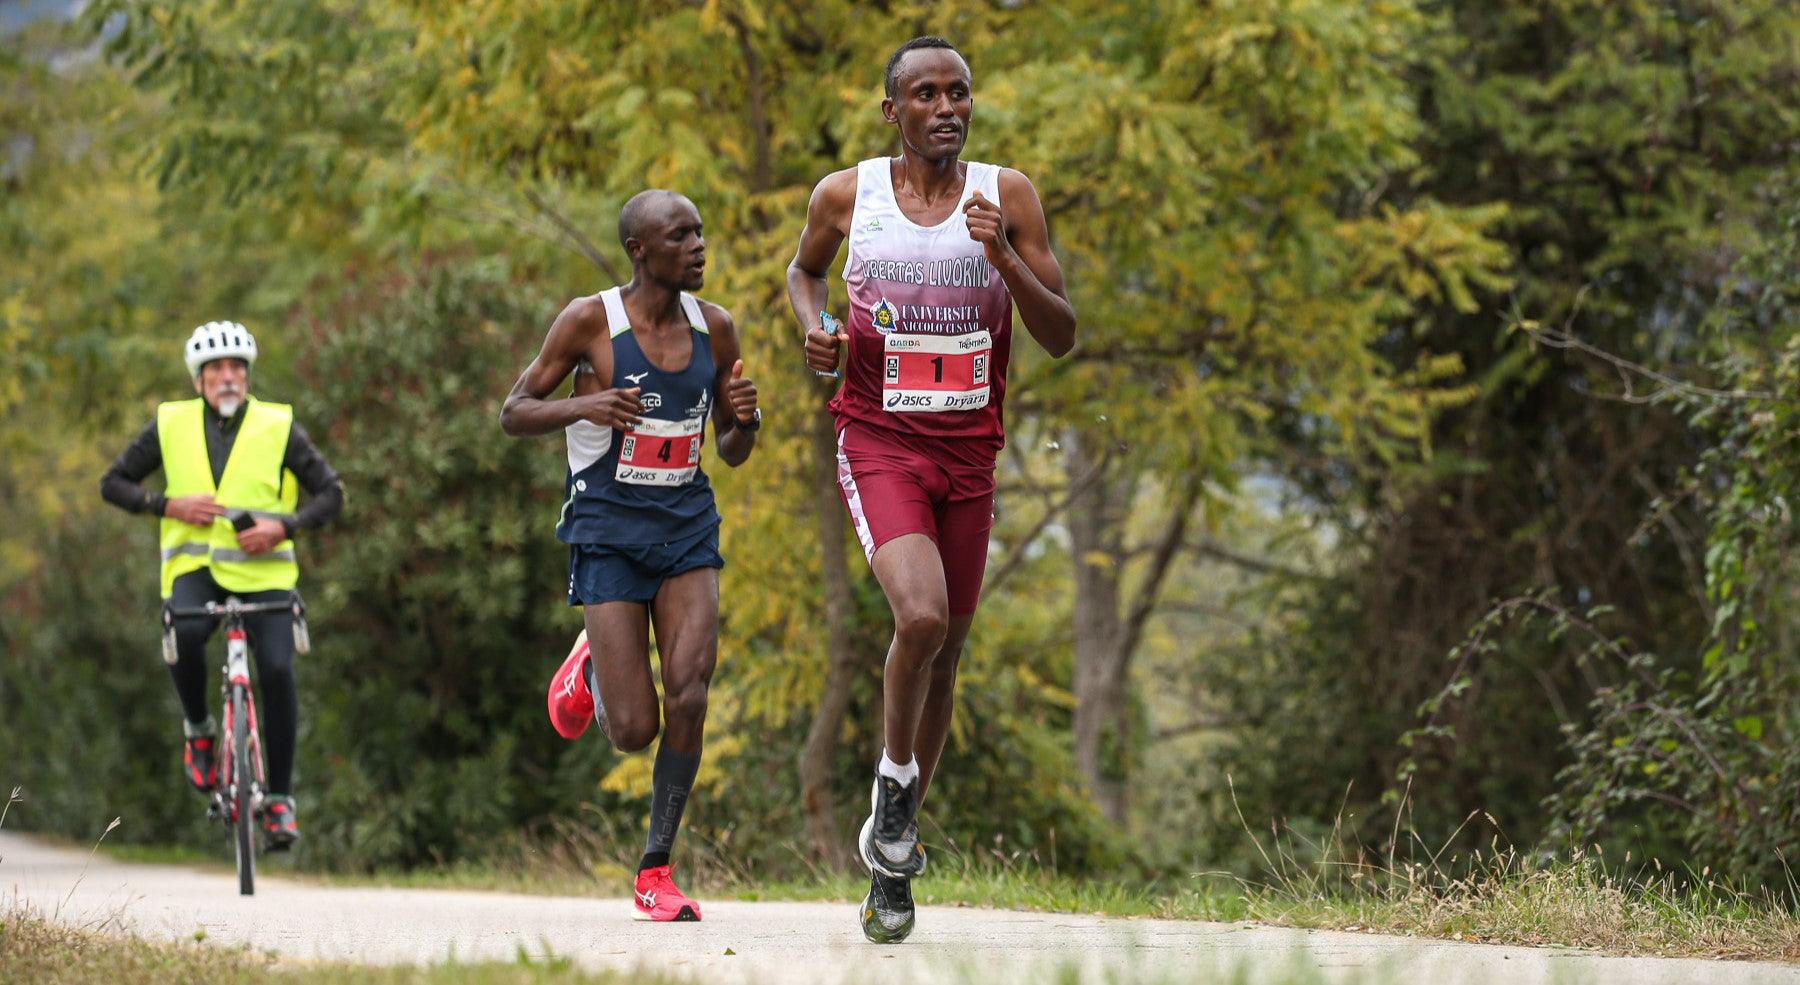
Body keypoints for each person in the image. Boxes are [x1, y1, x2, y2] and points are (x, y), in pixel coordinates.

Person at [786, 35, 1077, 943]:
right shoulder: (848, 194)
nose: (946, 108)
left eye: (959, 93)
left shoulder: (1008, 195)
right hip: (879, 437)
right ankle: (893, 789)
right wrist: (818, 326)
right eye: (926, 94)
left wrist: (1006, 262)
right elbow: (803, 274)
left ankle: (893, 849)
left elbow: (1062, 332)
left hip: (970, 451)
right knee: (920, 617)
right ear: (893, 111)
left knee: (948, 648)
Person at [500, 189, 761, 923]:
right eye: (681, 236)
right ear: (640, 251)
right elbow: (514, 411)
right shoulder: (590, 321)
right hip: (607, 530)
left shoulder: (718, 328)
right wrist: (584, 405)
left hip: (685, 527)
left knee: (691, 688)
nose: (699, 246)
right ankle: (589, 659)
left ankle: (656, 867)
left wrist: (746, 419)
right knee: (633, 731)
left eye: (701, 232)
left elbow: (734, 451)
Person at [100, 320, 345, 848]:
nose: (228, 377)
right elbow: (113, 484)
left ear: (248, 375)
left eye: (237, 368)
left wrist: (285, 526)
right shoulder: (169, 424)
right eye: (216, 370)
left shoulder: (279, 426)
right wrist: (166, 505)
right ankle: (199, 732)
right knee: (184, 639)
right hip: (195, 571)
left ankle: (279, 799)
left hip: (267, 574)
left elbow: (331, 494)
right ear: (198, 380)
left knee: (278, 671)